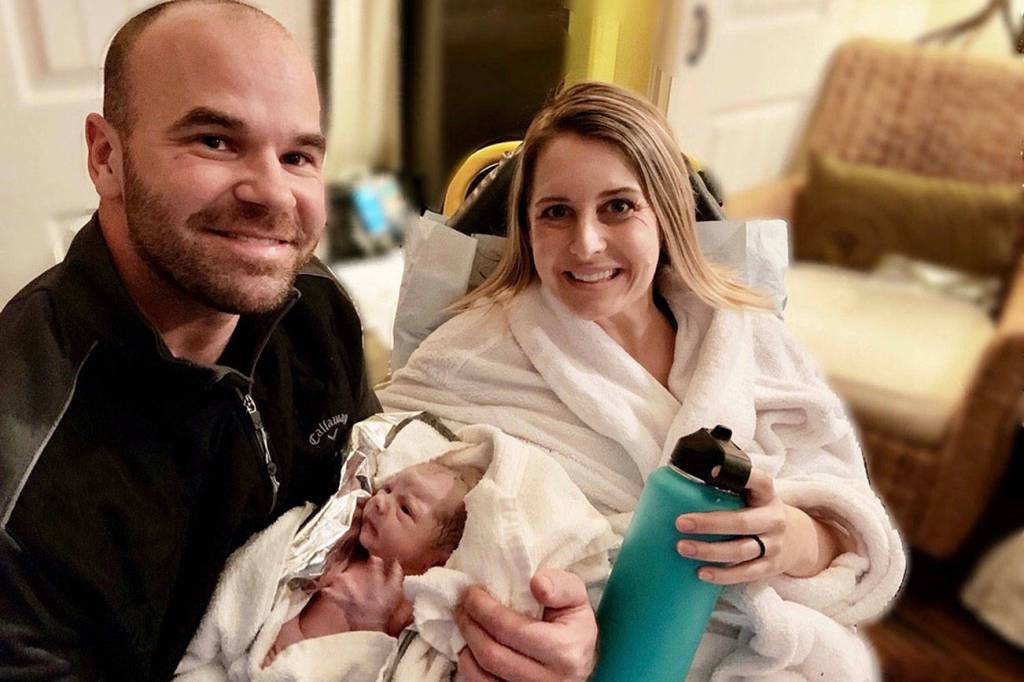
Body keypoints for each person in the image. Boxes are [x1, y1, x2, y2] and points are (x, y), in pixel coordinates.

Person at [380, 81, 907, 680]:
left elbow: (854, 535)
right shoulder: (472, 354)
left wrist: (789, 538)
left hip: (770, 654)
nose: (586, 243)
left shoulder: (748, 338)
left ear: (665, 214)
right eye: (556, 212)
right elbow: (379, 502)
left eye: (618, 207)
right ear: (527, 228)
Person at [0, 2, 380, 679]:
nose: (274, 194)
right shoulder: (21, 456)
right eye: (215, 141)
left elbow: (378, 491)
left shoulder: (316, 309)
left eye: (297, 156)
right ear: (106, 157)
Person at [264, 460, 483, 665]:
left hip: (311, 667)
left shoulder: (403, 602)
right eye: (387, 489)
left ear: (435, 560)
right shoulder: (353, 544)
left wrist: (373, 623)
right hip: (275, 638)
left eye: (405, 509)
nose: (380, 501)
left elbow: (385, 659)